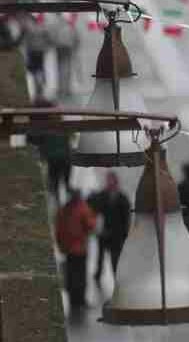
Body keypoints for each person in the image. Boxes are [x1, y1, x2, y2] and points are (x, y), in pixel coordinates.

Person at [55, 188, 96, 319]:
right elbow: (90, 226)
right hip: (80, 249)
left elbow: (58, 231)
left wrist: (61, 246)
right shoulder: (82, 208)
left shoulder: (63, 210)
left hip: (68, 250)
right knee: (81, 275)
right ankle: (80, 300)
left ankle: (73, 301)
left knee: (71, 275)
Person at [87, 171, 131, 286]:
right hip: (104, 232)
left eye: (112, 181)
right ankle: (98, 274)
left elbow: (126, 218)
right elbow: (92, 206)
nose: (110, 183)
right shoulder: (102, 195)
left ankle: (116, 277)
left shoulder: (122, 198)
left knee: (115, 258)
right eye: (108, 181)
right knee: (100, 256)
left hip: (116, 235)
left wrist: (124, 234)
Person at [29, 99, 71, 204]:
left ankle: (58, 201)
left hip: (54, 159)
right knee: (64, 182)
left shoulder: (45, 124)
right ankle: (65, 200)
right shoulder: (62, 125)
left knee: (55, 182)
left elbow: (35, 139)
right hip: (64, 158)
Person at [49, 13, 79, 99]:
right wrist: (75, 47)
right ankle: (67, 89)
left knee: (60, 68)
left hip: (60, 48)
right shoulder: (70, 27)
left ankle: (62, 89)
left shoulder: (57, 26)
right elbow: (76, 38)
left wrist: (54, 43)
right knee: (67, 69)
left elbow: (52, 37)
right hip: (67, 48)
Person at [23, 13, 51, 100]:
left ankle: (38, 87)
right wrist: (46, 48)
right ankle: (41, 85)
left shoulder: (29, 29)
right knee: (41, 68)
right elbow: (48, 40)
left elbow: (27, 42)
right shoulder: (43, 28)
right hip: (40, 52)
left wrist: (27, 53)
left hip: (32, 52)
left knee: (34, 70)